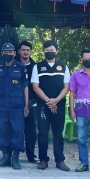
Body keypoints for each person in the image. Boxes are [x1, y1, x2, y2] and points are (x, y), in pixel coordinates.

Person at [32, 40, 71, 171]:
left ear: (56, 51)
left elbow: (67, 87)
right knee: (43, 133)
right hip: (43, 106)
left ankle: (60, 160)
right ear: (43, 51)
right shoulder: (37, 67)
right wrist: (49, 101)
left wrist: (56, 101)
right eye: (47, 50)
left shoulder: (63, 67)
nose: (49, 52)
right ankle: (43, 160)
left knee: (58, 133)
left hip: (59, 105)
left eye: (52, 50)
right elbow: (35, 87)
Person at [0, 43, 28, 170]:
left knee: (18, 130)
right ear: (2, 53)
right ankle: (6, 156)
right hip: (2, 105)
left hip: (16, 105)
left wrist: (26, 105)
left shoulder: (20, 67)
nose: (8, 54)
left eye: (10, 52)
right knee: (2, 130)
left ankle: (15, 158)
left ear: (14, 53)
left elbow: (25, 86)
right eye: (5, 52)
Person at [18, 41, 39, 163]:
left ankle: (31, 155)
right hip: (15, 103)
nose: (25, 52)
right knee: (15, 129)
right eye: (23, 50)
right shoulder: (13, 64)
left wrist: (32, 101)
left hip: (32, 103)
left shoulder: (36, 67)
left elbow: (39, 86)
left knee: (31, 131)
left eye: (27, 50)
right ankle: (14, 154)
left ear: (31, 52)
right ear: (19, 51)